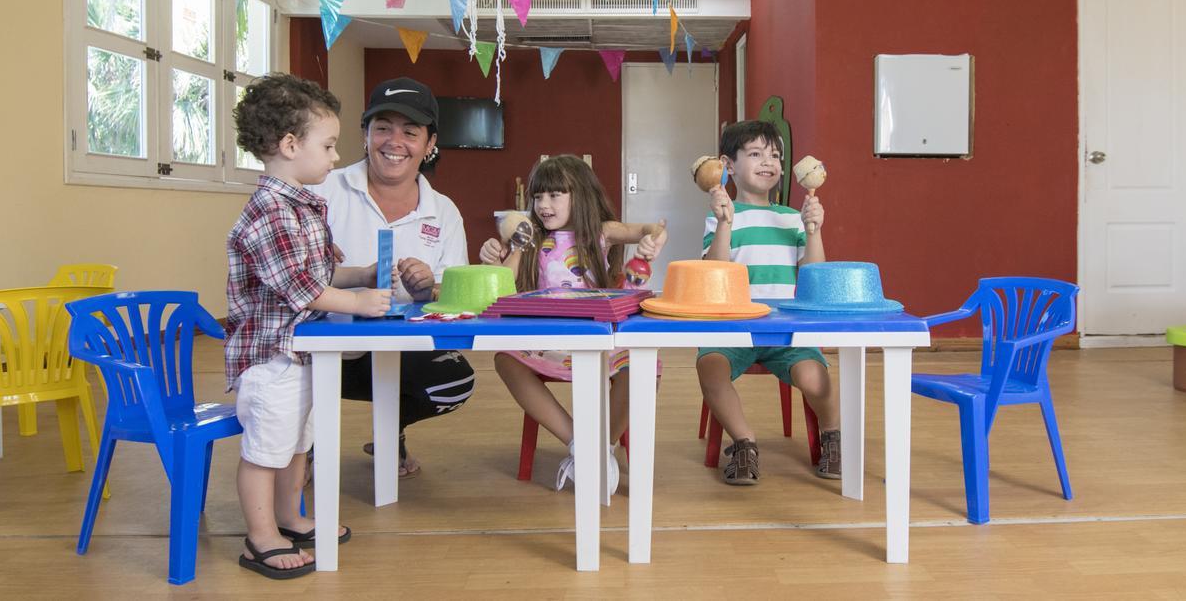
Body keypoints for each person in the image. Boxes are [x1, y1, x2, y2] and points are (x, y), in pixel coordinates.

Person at [225, 74, 394, 579]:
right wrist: (357, 301)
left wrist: (359, 276)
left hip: (300, 353)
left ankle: (289, 516)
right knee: (266, 451)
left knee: (299, 442)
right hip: (271, 358)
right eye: (328, 145)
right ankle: (261, 537)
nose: (336, 157)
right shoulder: (271, 212)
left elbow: (316, 273)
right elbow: (300, 287)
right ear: (290, 145)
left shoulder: (299, 205)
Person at [310, 77, 473, 479]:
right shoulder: (323, 189)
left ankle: (390, 430)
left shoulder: (444, 211)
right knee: (292, 375)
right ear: (364, 135)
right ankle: (304, 446)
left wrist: (427, 289)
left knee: (455, 382)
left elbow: (455, 295)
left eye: (410, 132)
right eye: (382, 127)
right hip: (321, 347)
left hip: (402, 348)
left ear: (430, 143)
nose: (394, 142)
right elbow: (288, 273)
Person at [479, 155, 667, 496]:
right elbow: (502, 285)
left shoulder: (600, 232)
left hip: (600, 342)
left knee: (642, 365)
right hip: (549, 343)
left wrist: (653, 240)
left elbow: (647, 229)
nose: (543, 205)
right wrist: (506, 250)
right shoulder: (530, 238)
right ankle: (582, 445)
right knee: (505, 359)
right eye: (538, 196)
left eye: (555, 195)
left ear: (580, 195)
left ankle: (603, 447)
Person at [697, 119, 840, 485]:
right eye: (756, 154)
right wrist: (724, 224)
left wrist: (813, 232)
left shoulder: (792, 218)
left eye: (775, 155)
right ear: (728, 166)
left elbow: (814, 277)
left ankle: (833, 434)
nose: (768, 162)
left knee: (816, 379)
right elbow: (714, 274)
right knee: (710, 369)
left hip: (788, 332)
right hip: (733, 328)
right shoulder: (721, 217)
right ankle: (744, 443)